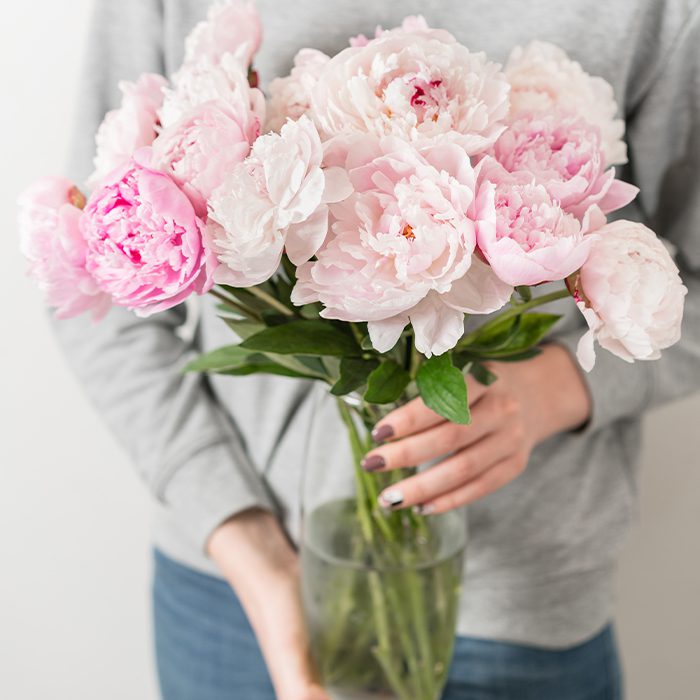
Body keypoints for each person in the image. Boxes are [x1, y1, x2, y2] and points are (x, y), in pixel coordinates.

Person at [54, 1, 700, 698]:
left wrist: (556, 390)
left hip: (515, 615)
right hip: (232, 590)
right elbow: (95, 262)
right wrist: (244, 542)